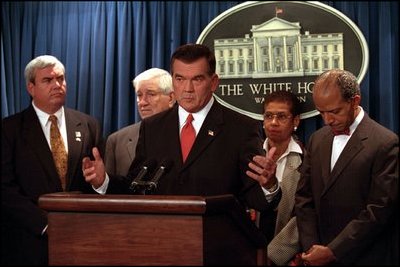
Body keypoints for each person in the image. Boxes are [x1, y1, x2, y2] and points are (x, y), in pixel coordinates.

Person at [83, 43, 279, 216]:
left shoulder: (241, 128)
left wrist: (268, 185)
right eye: (180, 79)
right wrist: (104, 181)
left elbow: (256, 200)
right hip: (163, 242)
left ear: (214, 82)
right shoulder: (153, 127)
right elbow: (136, 187)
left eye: (197, 79)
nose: (187, 88)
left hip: (218, 244)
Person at [1, 55, 104, 265]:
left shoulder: (88, 125)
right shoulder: (9, 129)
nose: (57, 85)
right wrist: (47, 224)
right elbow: (5, 189)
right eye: (47, 80)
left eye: (60, 79)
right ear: (31, 87)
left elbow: (97, 181)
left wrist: (101, 183)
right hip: (28, 242)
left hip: (81, 240)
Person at [295, 69, 398, 265]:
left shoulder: (385, 143)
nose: (327, 120)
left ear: (355, 101)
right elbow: (303, 198)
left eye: (334, 111)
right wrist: (311, 246)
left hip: (363, 257)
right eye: (321, 112)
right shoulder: (317, 139)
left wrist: (333, 250)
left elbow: (379, 210)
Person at [104, 68, 175, 176]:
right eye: (139, 95)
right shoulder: (116, 141)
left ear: (171, 98)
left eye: (151, 94)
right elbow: (110, 190)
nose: (142, 102)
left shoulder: (185, 134)